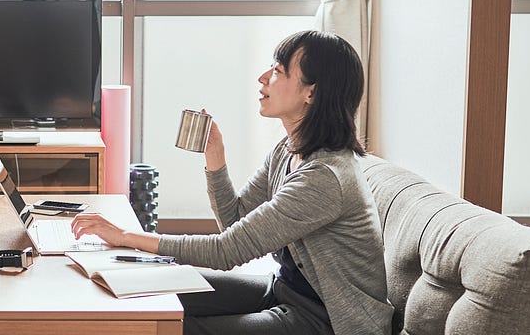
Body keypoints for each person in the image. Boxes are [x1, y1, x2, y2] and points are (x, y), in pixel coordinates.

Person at [71, 30, 391, 335]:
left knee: (165, 327)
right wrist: (216, 158)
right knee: (150, 290)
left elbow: (225, 251)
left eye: (278, 71)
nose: (263, 78)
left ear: (312, 92)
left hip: (328, 320)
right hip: (282, 290)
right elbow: (235, 223)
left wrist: (127, 236)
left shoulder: (325, 176)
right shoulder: (288, 150)